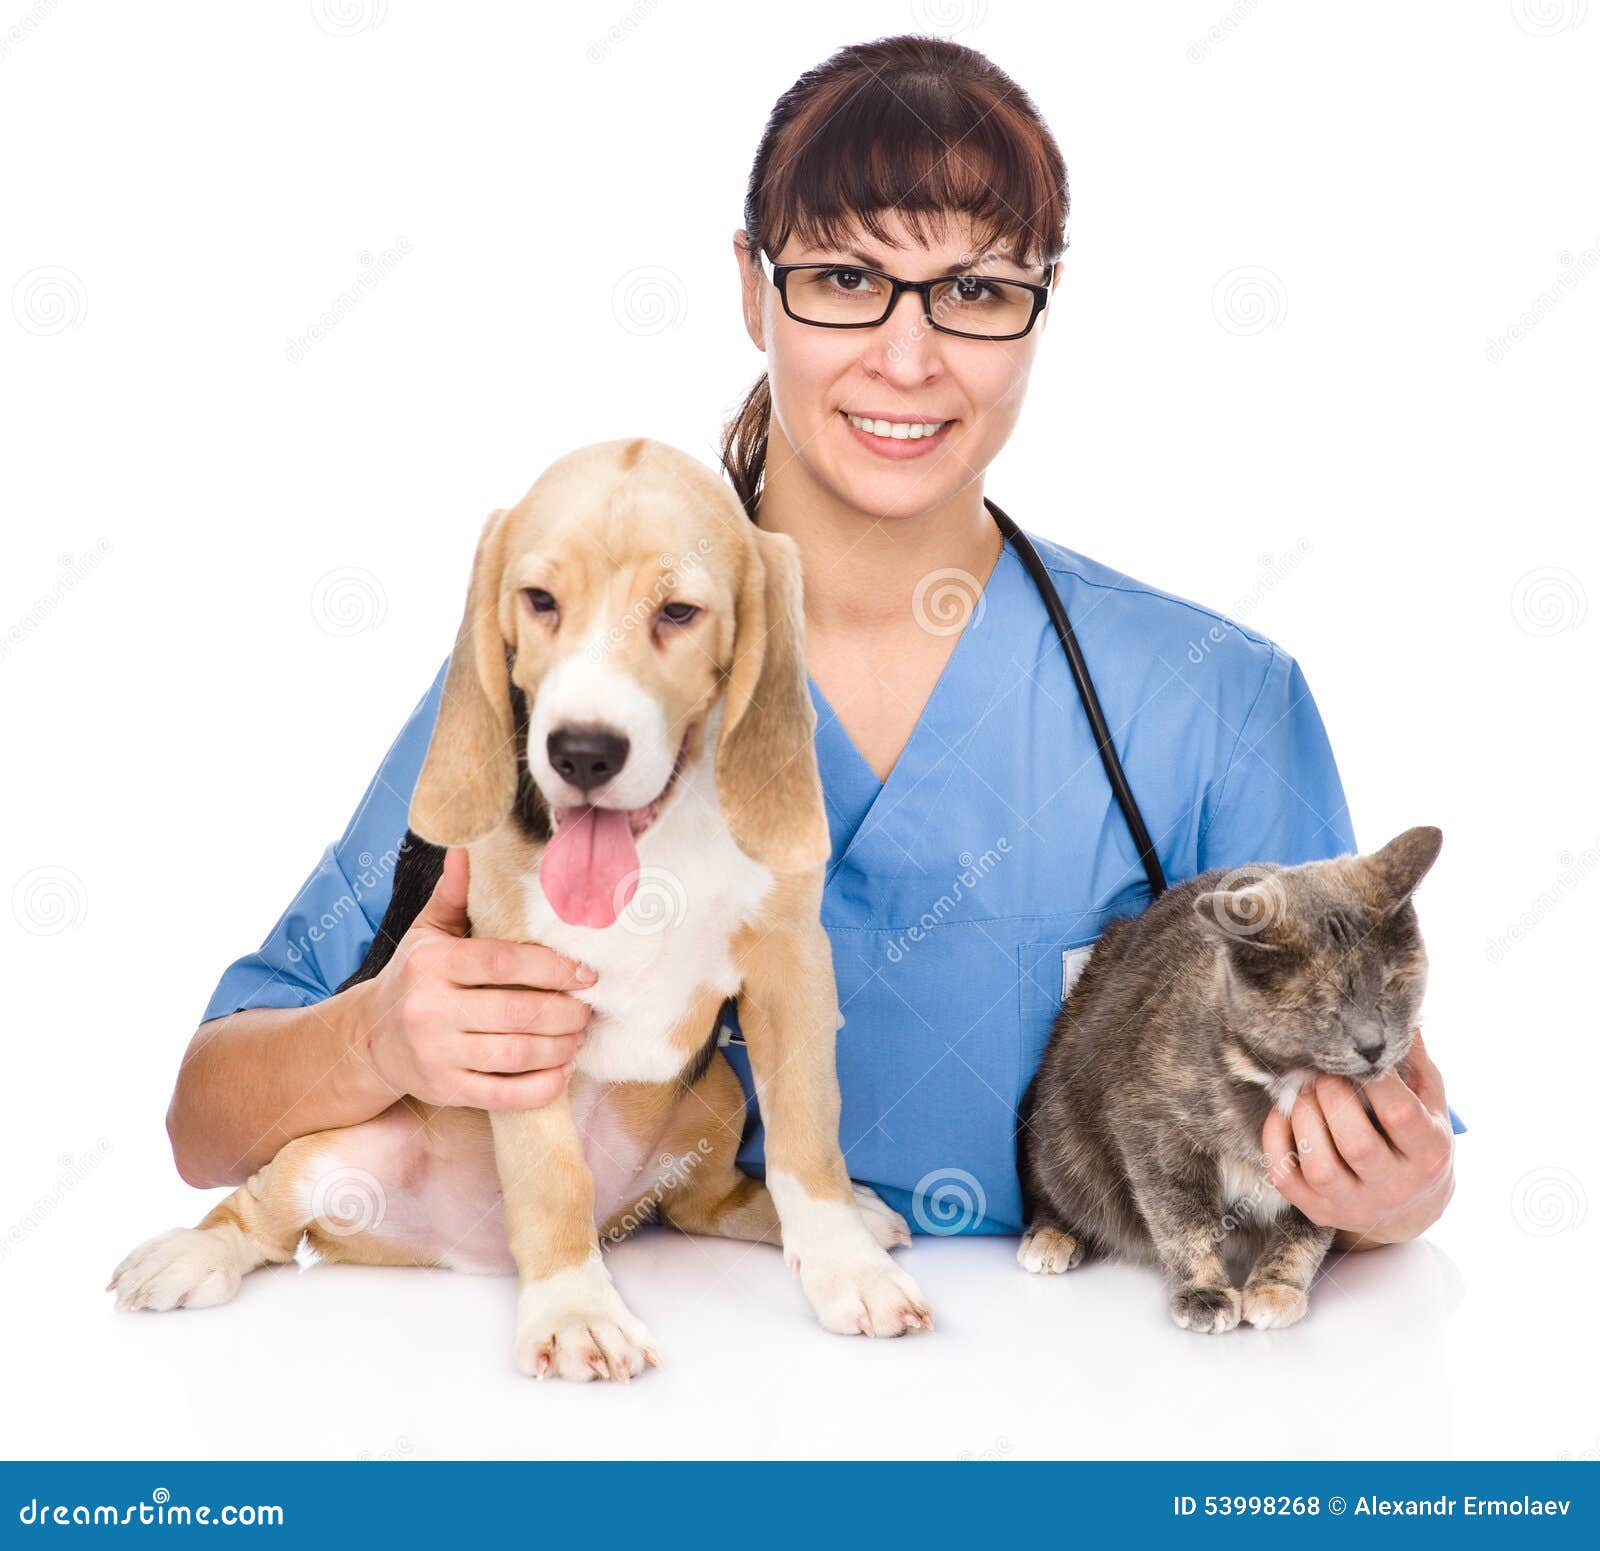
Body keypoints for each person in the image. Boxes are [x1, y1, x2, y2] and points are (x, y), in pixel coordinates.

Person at [166, 35, 1457, 1246]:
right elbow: (205, 1122)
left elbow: (1395, 1154)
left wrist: (1395, 1188)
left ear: (1042, 307)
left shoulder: (1208, 706)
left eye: (975, 291)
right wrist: (384, 1043)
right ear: (751, 287)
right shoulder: (561, 683)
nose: (909, 356)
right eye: (845, 279)